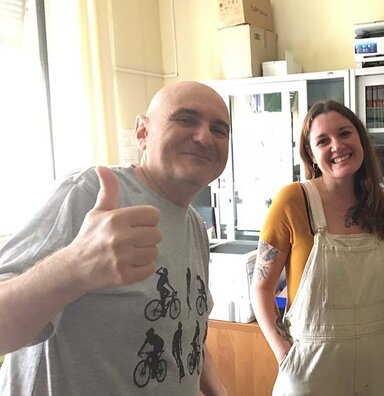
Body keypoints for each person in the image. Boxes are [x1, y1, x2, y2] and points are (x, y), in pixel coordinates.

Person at [0, 81, 229, 396]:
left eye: (219, 129)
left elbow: (187, 332)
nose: (204, 137)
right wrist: (74, 267)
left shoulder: (194, 227)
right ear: (142, 133)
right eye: (185, 119)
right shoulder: (89, 193)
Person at [250, 100, 384, 395]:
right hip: (310, 365)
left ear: (360, 138)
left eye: (345, 133)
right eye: (323, 140)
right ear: (311, 153)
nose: (337, 146)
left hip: (382, 362)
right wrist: (284, 354)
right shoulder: (292, 201)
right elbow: (261, 287)